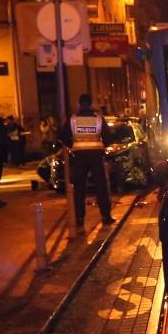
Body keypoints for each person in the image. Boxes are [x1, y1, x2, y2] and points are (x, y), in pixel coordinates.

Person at [59, 92, 114, 231]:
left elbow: (63, 136)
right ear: (91, 103)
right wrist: (101, 145)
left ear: (79, 103)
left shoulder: (72, 119)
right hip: (96, 156)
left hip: (79, 157)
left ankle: (79, 219)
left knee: (79, 189)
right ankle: (106, 216)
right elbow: (108, 138)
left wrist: (74, 145)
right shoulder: (98, 119)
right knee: (101, 187)